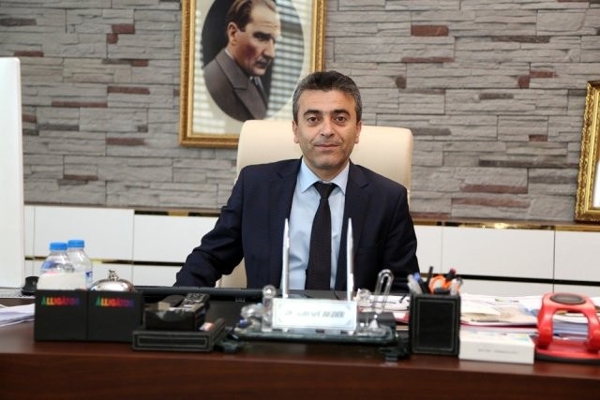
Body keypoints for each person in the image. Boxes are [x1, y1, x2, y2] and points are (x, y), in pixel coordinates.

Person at [175, 70, 419, 292]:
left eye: (340, 118)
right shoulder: (255, 187)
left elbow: (402, 287)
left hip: (350, 325)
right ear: (295, 129)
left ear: (357, 130)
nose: (327, 130)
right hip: (269, 322)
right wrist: (173, 307)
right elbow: (210, 259)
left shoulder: (388, 199)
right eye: (313, 119)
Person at [204, 0, 280, 122]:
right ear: (233, 34)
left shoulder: (250, 73)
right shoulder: (213, 84)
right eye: (261, 37)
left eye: (274, 41)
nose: (271, 53)